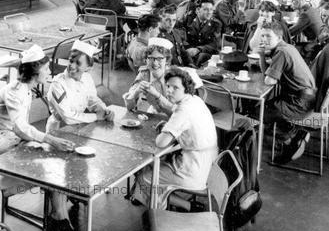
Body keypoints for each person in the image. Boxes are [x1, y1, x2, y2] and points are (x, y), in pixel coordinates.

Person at [0, 45, 81, 231]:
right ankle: (59, 221)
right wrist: (49, 139)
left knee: (55, 162)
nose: (50, 72)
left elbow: (22, 130)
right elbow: (20, 127)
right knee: (50, 164)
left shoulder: (27, 89)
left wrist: (45, 141)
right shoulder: (14, 91)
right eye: (46, 69)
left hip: (14, 140)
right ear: (35, 72)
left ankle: (58, 218)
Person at [130, 67, 217, 206]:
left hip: (192, 170)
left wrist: (166, 129)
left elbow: (161, 142)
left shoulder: (184, 109)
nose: (169, 90)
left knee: (145, 178)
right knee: (150, 166)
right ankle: (144, 197)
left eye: (175, 87)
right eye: (168, 86)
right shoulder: (194, 100)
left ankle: (187, 206)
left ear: (186, 88)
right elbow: (179, 118)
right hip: (206, 162)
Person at [258, 22, 317, 163]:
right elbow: (269, 75)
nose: (264, 39)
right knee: (267, 106)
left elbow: (269, 81)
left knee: (259, 114)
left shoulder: (281, 52)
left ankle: (291, 139)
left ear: (279, 37)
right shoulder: (286, 47)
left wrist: (262, 57)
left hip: (300, 103)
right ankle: (292, 132)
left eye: (268, 36)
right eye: (262, 36)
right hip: (305, 97)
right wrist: (262, 55)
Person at [46, 40, 114, 132]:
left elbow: (92, 99)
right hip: (59, 129)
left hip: (80, 126)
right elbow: (67, 117)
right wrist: (96, 116)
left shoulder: (87, 78)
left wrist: (104, 110)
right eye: (71, 61)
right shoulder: (58, 84)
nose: (72, 66)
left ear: (88, 68)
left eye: (78, 63)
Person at [123, 38, 175, 114]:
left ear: (166, 61)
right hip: (155, 113)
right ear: (146, 60)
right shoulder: (144, 74)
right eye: (151, 58)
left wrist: (157, 95)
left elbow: (176, 111)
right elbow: (129, 107)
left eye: (160, 59)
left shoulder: (174, 77)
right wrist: (136, 92)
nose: (155, 63)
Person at [184, 0, 222, 67]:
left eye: (211, 10)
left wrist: (198, 49)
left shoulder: (216, 24)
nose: (210, 12)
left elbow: (215, 45)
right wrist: (188, 49)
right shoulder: (188, 20)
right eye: (206, 9)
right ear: (198, 10)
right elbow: (183, 37)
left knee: (202, 56)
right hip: (189, 53)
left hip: (206, 55)